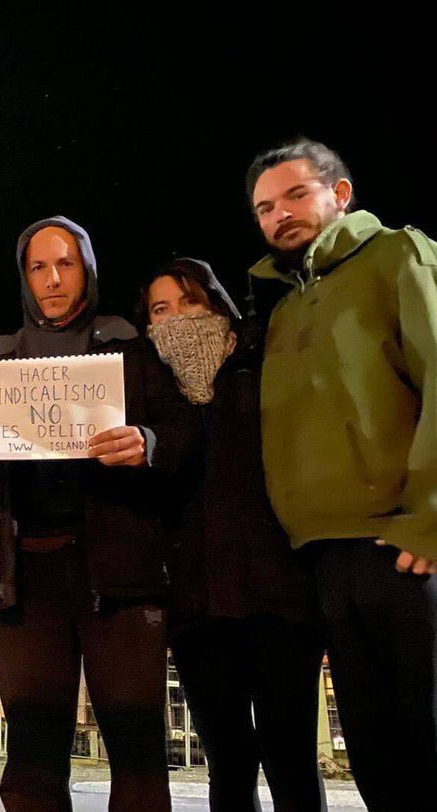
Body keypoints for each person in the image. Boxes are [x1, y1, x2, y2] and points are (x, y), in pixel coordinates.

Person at [0, 216, 197, 812]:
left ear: (87, 269)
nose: (52, 279)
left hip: (120, 578)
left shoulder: (129, 348)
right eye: (38, 267)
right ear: (24, 277)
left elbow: (185, 432)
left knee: (135, 739)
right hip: (25, 579)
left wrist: (149, 444)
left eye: (65, 264)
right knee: (32, 745)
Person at [246, 136, 437, 811]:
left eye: (296, 195)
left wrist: (429, 518)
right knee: (375, 757)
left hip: (403, 546)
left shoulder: (397, 256)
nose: (280, 214)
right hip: (325, 556)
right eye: (265, 208)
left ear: (341, 194)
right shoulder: (284, 307)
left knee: (425, 747)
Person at [137, 258, 326, 811]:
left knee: (290, 752)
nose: (176, 318)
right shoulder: (149, 389)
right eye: (160, 309)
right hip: (198, 603)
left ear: (216, 303)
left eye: (188, 301)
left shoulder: (264, 362)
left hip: (280, 596)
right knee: (228, 758)